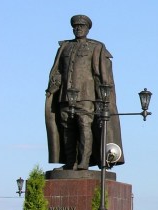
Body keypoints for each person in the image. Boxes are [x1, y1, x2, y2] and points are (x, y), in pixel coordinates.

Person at [45, 15, 123, 170]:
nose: (78, 28)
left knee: (84, 127)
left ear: (88, 29)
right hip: (64, 97)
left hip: (87, 97)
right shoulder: (64, 47)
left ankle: (84, 162)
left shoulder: (96, 47)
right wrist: (55, 83)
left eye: (81, 26)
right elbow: (58, 70)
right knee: (67, 128)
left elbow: (102, 74)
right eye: (76, 26)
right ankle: (70, 161)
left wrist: (104, 97)